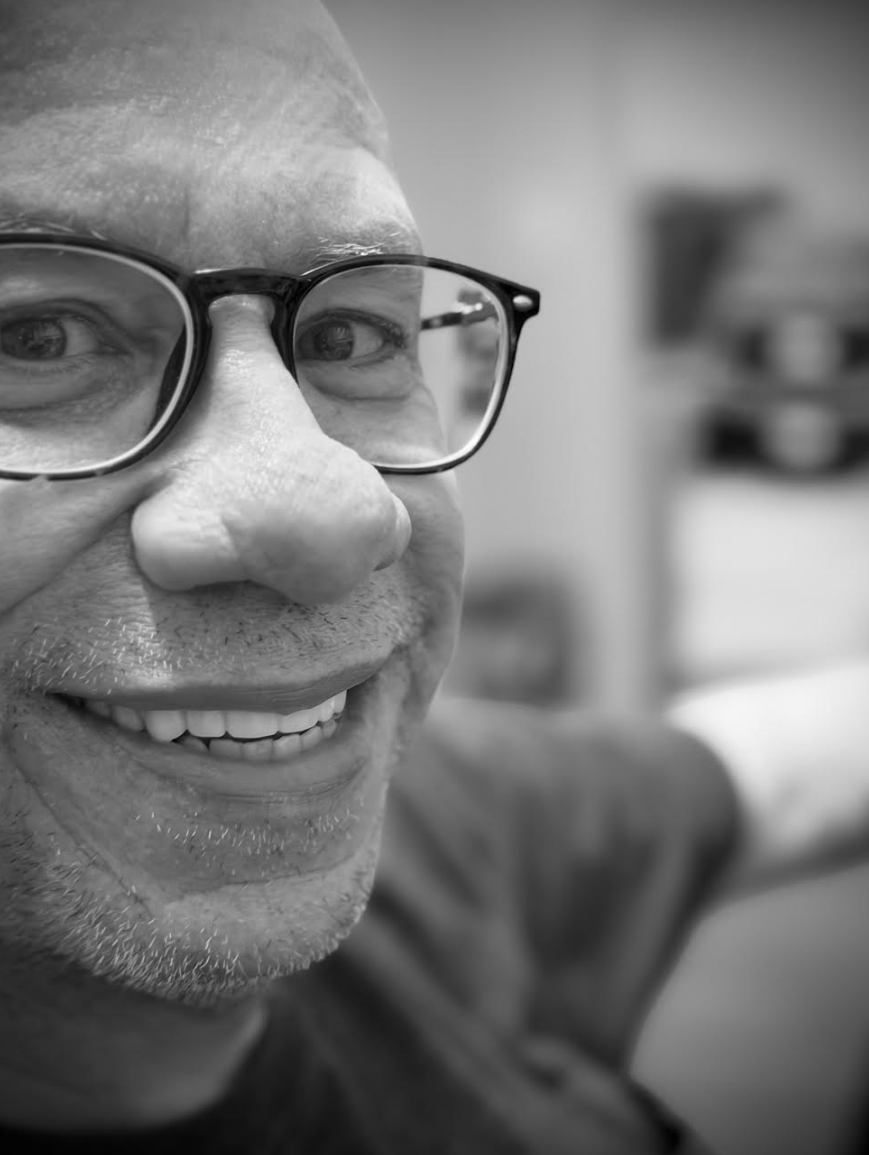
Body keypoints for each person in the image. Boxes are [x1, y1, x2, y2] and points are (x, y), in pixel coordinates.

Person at [2, 1, 869, 1151]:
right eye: (36, 338)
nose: (338, 513)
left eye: (350, 338)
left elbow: (777, 768)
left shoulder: (431, 830)